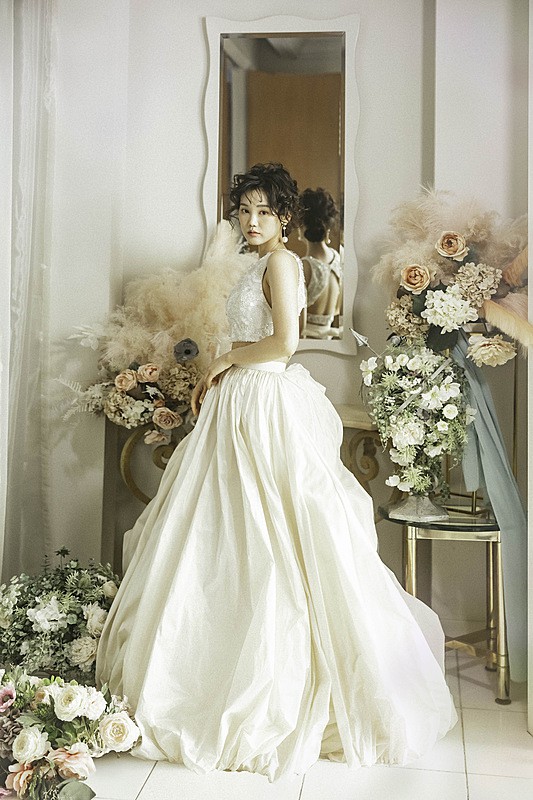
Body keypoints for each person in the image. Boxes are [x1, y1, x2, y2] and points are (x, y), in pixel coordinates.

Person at [96, 162, 457, 782]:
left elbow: (285, 342)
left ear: (285, 217)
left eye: (264, 211)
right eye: (245, 210)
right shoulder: (252, 265)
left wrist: (221, 363)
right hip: (239, 401)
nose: (252, 221)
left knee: (274, 536)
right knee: (225, 535)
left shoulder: (284, 262)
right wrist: (219, 369)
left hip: (262, 402)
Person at [300, 187, 343, 339]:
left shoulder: (304, 267)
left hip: (307, 344)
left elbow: (299, 326)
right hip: (330, 341)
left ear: (302, 226)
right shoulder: (339, 257)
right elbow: (337, 309)